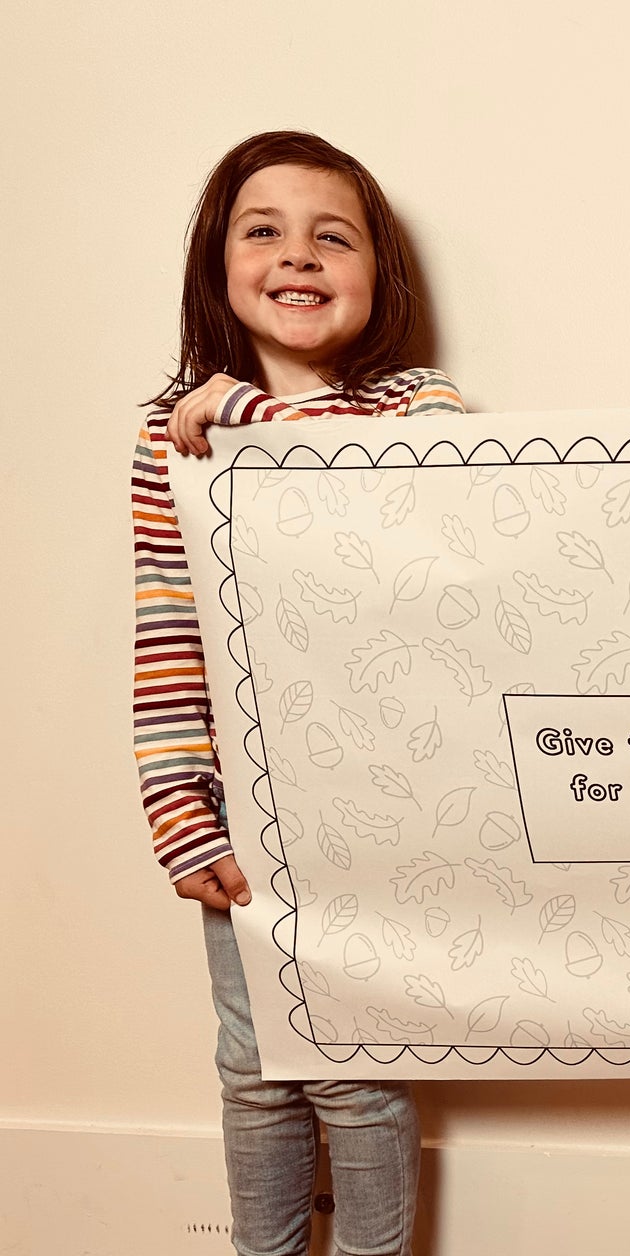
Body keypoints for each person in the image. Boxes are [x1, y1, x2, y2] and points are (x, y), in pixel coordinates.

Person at [134, 130, 463, 1256]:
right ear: (216, 265)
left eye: (334, 235)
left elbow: (410, 518)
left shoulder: (420, 406)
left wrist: (250, 421)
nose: (298, 255)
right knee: (255, 1065)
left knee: (358, 1068)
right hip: (244, 804)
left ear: (379, 272)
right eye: (262, 231)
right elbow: (167, 627)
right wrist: (179, 806)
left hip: (376, 802)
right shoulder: (171, 430)